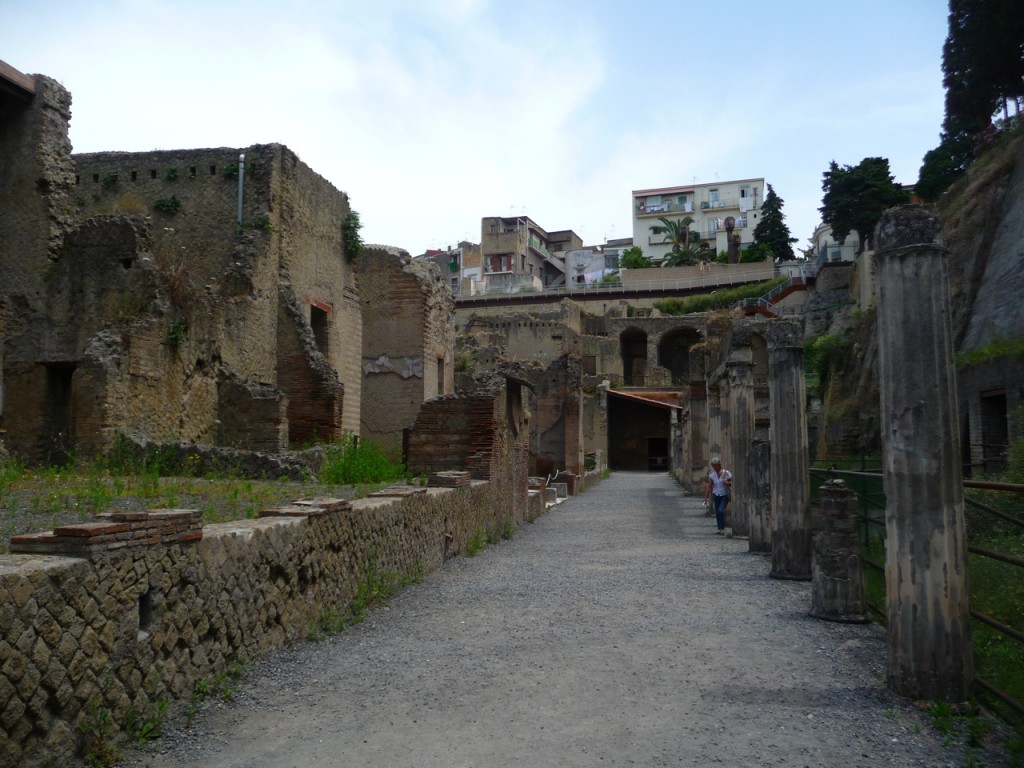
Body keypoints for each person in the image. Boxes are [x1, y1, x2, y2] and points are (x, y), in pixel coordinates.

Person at [703, 457, 733, 534]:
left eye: (716, 465)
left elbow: (733, 483)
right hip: (716, 495)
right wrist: (706, 497)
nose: (715, 467)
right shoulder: (712, 475)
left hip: (724, 495)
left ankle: (723, 527)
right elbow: (709, 486)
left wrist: (727, 483)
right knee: (717, 512)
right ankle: (720, 529)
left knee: (720, 510)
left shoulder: (726, 473)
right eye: (713, 466)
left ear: (719, 465)